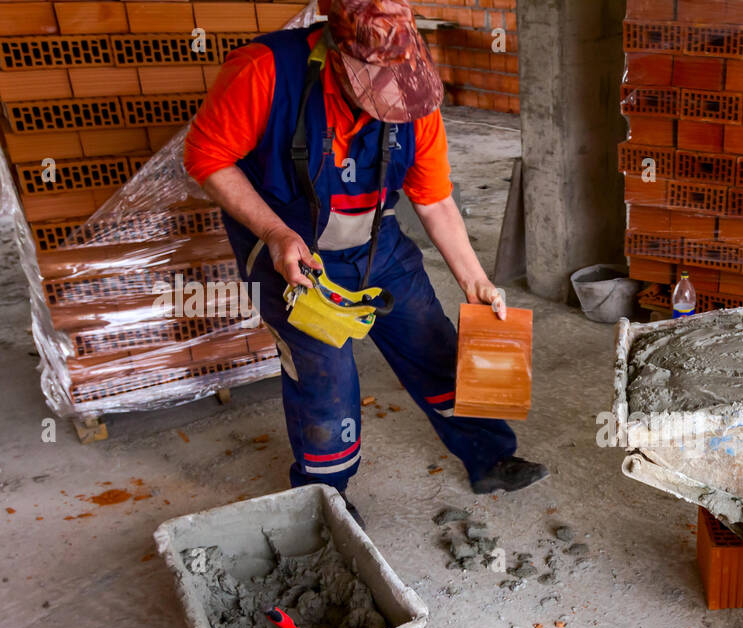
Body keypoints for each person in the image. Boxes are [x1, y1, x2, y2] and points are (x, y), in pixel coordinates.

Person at [183, 0, 547, 526]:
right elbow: (207, 158)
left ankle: (489, 457)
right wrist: (275, 233)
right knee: (326, 384)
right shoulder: (265, 72)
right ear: (339, 59)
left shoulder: (416, 95)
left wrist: (476, 281)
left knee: (435, 346)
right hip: (292, 256)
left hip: (375, 241)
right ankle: (324, 499)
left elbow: (435, 199)